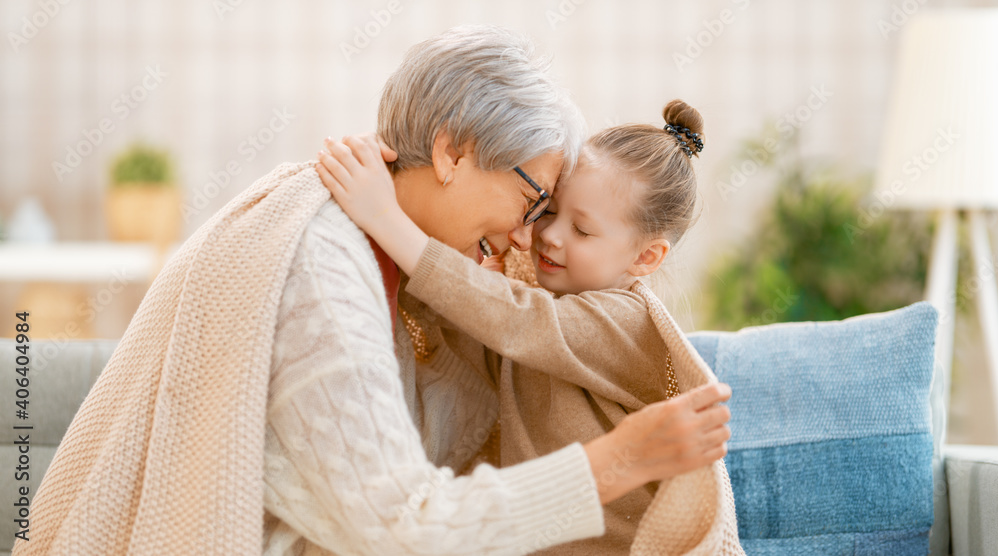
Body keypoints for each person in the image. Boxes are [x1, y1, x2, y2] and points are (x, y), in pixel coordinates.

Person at [14, 27, 731, 556]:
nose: (525, 238)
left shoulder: (396, 259)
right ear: (453, 153)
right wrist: (619, 460)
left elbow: (445, 434)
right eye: (534, 200)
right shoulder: (323, 269)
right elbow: (405, 527)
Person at [315, 100, 742, 555]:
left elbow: (517, 321)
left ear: (645, 258)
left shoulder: (626, 322)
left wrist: (385, 217)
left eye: (582, 230)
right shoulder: (548, 305)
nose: (552, 235)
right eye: (551, 210)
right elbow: (478, 361)